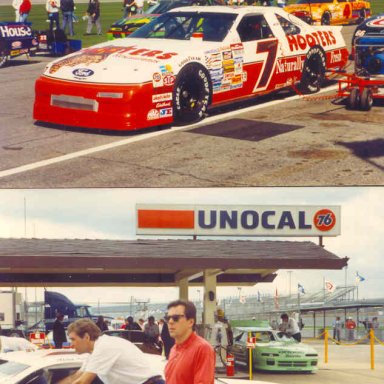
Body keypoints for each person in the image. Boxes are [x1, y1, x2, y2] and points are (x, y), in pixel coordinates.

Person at [58, 318, 164, 384]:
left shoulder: (103, 347)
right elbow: (76, 376)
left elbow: (82, 382)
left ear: (86, 337)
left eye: (73, 339)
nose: (71, 344)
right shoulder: (95, 351)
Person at [164, 300, 215, 384]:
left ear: (190, 322)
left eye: (176, 318)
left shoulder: (202, 349)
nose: (170, 322)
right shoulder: (173, 349)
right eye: (167, 318)